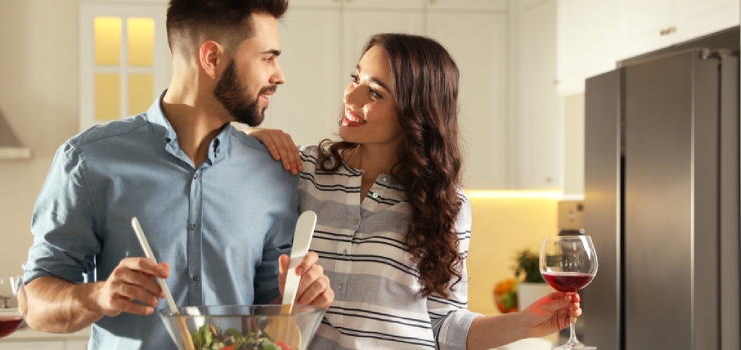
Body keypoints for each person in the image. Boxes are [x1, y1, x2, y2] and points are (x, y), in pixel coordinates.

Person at [22, 1, 333, 349]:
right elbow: (34, 303)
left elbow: (270, 314)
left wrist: (299, 300)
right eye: (267, 57)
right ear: (212, 58)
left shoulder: (272, 172)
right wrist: (98, 295)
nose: (279, 75)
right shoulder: (89, 160)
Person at [249, 33, 582, 350]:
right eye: (356, 79)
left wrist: (523, 325)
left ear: (415, 111)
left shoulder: (447, 203)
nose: (351, 98)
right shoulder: (302, 170)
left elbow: (443, 325)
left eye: (375, 93)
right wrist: (251, 143)